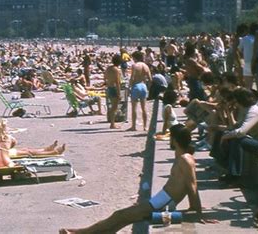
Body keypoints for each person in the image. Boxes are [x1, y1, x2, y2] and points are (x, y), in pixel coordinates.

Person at [59, 125, 204, 233]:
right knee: (123, 219)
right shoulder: (181, 156)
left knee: (120, 215)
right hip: (159, 202)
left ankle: (78, 233)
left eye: (170, 137)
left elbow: (192, 186)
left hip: (161, 206)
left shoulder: (185, 159)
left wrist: (197, 212)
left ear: (175, 139)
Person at [0, 118, 65, 167]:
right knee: (27, 152)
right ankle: (53, 152)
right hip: (8, 161)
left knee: (26, 149)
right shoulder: (9, 138)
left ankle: (47, 149)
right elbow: (13, 144)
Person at [129, 51, 151, 131]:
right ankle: (145, 126)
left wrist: (129, 87)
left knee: (134, 107)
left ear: (134, 58)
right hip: (143, 86)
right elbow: (150, 79)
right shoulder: (146, 66)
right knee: (144, 107)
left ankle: (134, 126)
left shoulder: (135, 65)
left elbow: (132, 77)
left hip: (136, 85)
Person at [104, 54, 122, 129]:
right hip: (114, 88)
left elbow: (105, 78)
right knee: (114, 108)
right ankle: (112, 124)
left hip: (109, 87)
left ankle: (112, 122)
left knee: (112, 106)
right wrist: (119, 93)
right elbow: (117, 82)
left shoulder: (108, 68)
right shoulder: (117, 70)